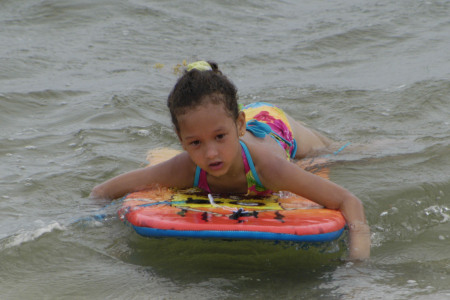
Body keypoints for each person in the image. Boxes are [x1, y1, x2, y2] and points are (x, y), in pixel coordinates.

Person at [90, 61, 370, 260]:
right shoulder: (184, 167)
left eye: (219, 138)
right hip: (224, 118)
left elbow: (349, 202)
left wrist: (357, 266)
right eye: (195, 143)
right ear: (180, 139)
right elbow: (102, 192)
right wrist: (108, 232)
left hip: (276, 129)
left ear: (238, 125)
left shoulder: (269, 169)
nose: (210, 153)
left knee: (341, 154)